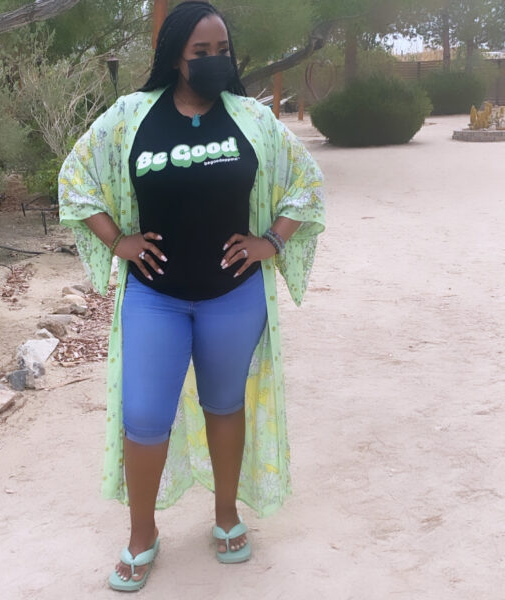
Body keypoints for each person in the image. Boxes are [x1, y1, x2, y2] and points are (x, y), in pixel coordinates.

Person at [58, 0, 325, 592]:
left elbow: (306, 184)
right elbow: (75, 180)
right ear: (175, 55)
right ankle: (141, 535)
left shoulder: (253, 119)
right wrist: (118, 241)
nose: (213, 61)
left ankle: (226, 516)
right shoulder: (131, 116)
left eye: (221, 51)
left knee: (225, 405)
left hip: (233, 295)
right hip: (156, 296)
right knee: (145, 417)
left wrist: (271, 243)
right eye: (200, 52)